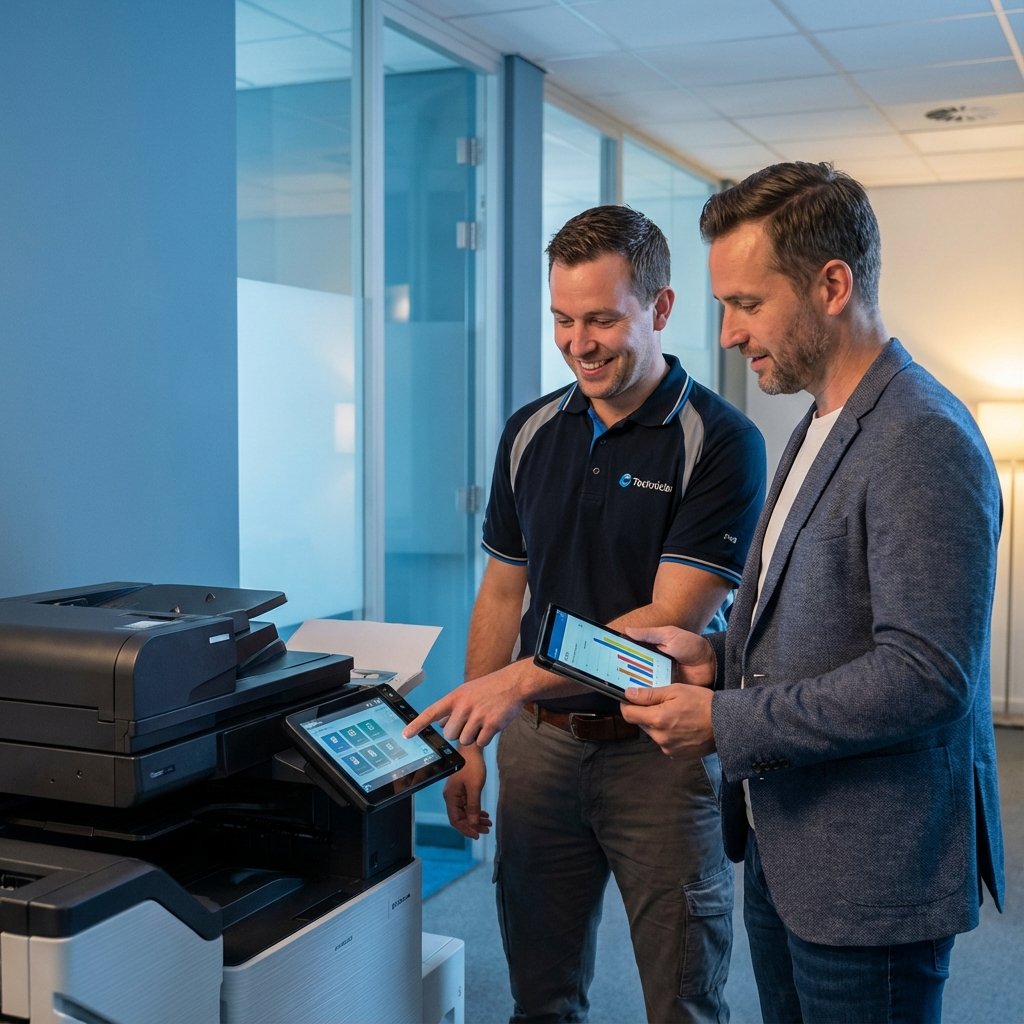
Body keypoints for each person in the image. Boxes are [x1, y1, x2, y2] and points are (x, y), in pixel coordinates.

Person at [618, 162, 1005, 1024]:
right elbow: (831, 623)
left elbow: (926, 676)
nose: (726, 333)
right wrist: (718, 660)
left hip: (870, 875)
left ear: (832, 284)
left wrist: (724, 722)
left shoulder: (922, 437)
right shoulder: (823, 419)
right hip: (789, 847)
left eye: (748, 304)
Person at [403, 205, 766, 1023]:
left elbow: (665, 625)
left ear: (661, 309)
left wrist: (516, 683)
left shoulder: (720, 442)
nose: (578, 343)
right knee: (541, 996)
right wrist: (470, 737)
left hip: (658, 754)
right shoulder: (529, 431)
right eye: (563, 319)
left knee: (684, 1002)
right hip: (542, 753)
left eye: (602, 318)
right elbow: (503, 591)